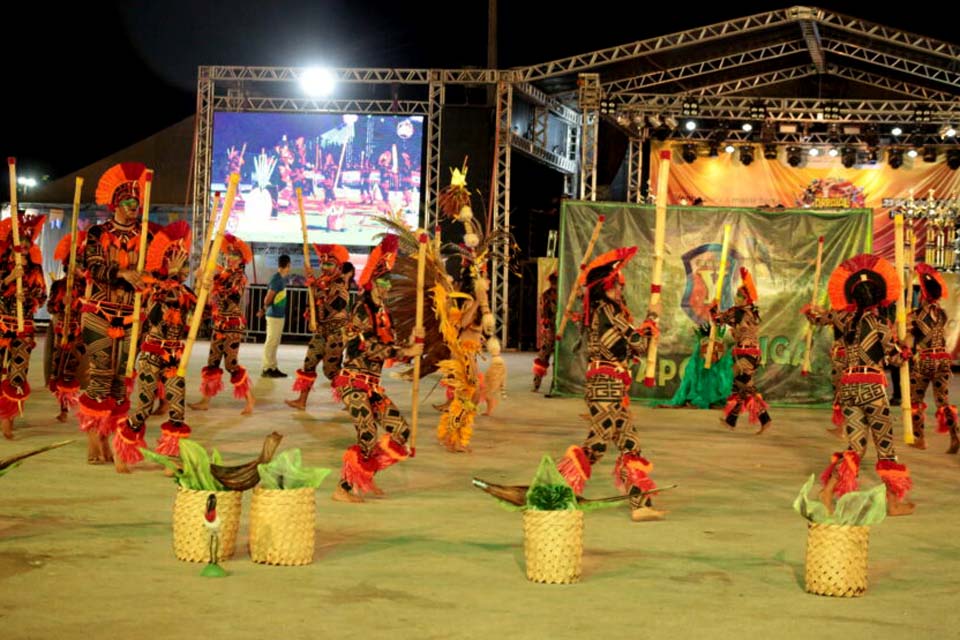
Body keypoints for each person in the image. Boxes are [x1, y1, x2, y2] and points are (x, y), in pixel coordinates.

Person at [555, 247, 665, 522]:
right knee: (598, 444)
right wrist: (651, 319)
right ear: (606, 285)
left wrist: (646, 330)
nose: (621, 286)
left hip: (614, 385)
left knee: (630, 443)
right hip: (604, 384)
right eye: (617, 281)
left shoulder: (607, 311)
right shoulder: (607, 310)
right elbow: (637, 341)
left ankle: (641, 504)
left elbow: (630, 348)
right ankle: (557, 493)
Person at [813, 254, 916, 516]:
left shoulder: (844, 320)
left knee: (855, 447)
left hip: (848, 388)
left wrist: (813, 313)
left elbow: (818, 319)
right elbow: (895, 357)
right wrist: (907, 348)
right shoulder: (881, 325)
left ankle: (826, 492)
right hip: (872, 389)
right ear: (878, 298)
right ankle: (893, 504)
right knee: (885, 447)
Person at [332, 235, 423, 503]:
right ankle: (344, 488)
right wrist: (403, 350)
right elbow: (368, 347)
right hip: (352, 382)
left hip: (372, 386)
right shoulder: (362, 309)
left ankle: (365, 475)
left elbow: (391, 350)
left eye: (388, 283)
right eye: (382, 282)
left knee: (401, 431)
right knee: (368, 432)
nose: (385, 287)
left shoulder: (384, 313)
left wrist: (412, 345)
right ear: (372, 282)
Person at [76, 163, 151, 463]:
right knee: (101, 374)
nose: (134, 208)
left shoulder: (146, 237)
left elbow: (158, 273)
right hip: (99, 312)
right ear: (117, 205)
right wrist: (123, 272)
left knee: (122, 380)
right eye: (129, 203)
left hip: (131, 316)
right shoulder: (97, 233)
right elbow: (92, 267)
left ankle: (112, 439)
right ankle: (93, 438)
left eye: (138, 203)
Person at [114, 221, 196, 470]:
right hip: (151, 353)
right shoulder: (149, 286)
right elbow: (154, 313)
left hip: (174, 356)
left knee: (177, 408)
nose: (183, 269)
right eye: (180, 263)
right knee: (143, 407)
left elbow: (193, 322)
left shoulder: (186, 293)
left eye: (185, 265)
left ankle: (171, 459)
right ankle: (122, 450)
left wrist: (205, 291)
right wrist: (167, 277)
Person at [189, 234, 255, 415]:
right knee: (212, 363)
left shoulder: (240, 277)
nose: (230, 257)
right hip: (219, 324)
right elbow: (212, 302)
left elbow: (228, 300)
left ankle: (250, 399)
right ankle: (205, 400)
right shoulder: (221, 275)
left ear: (241, 260)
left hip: (232, 325)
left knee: (231, 364)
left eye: (235, 255)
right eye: (229, 254)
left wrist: (210, 286)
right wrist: (203, 281)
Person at [0, 212, 47, 439]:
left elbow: (42, 296)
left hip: (24, 326)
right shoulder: (1, 264)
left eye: (28, 242)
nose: (25, 246)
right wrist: (9, 280)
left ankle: (7, 418)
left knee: (17, 373)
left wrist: (27, 298)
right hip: (0, 324)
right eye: (21, 242)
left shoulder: (35, 270)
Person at [287, 244, 350, 410]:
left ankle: (352, 399)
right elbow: (314, 304)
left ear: (338, 266)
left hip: (336, 332)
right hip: (321, 331)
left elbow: (333, 307)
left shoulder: (340, 283)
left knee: (331, 370)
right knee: (309, 363)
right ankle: (301, 401)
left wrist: (316, 288)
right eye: (323, 264)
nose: (325, 267)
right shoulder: (321, 280)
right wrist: (313, 287)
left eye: (329, 264)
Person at [711, 267, 773, 434]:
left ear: (746, 298)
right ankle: (731, 420)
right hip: (752, 354)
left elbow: (718, 320)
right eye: (736, 295)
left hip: (745, 355)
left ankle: (765, 419)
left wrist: (713, 308)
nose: (736, 298)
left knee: (746, 387)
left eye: (739, 295)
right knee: (739, 387)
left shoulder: (738, 312)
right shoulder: (752, 312)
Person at [907, 263, 957, 452]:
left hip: (925, 361)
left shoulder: (916, 316)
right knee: (943, 401)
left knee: (916, 400)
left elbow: (906, 339)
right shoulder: (942, 314)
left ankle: (919, 439)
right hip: (943, 359)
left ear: (924, 294)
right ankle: (955, 435)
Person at [47, 231, 87, 423]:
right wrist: (61, 303)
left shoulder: (89, 286)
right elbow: (49, 307)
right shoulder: (58, 286)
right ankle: (63, 407)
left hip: (80, 336)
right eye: (73, 265)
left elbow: (94, 307)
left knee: (70, 370)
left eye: (79, 266)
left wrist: (78, 302)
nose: (76, 269)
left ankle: (78, 407)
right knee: (58, 370)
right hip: (60, 334)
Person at [260, 254, 291, 378]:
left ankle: (272, 366)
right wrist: (264, 308)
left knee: (275, 342)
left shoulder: (280, 279)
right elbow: (268, 298)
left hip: (278, 315)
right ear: (288, 265)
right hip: (274, 315)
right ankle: (267, 367)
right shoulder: (277, 279)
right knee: (271, 341)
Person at [531, 272, 558, 392]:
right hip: (550, 330)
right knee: (543, 357)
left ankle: (557, 383)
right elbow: (543, 314)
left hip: (562, 329)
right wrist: (548, 329)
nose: (555, 284)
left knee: (560, 358)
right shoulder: (546, 295)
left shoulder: (564, 294)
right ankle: (537, 382)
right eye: (554, 281)